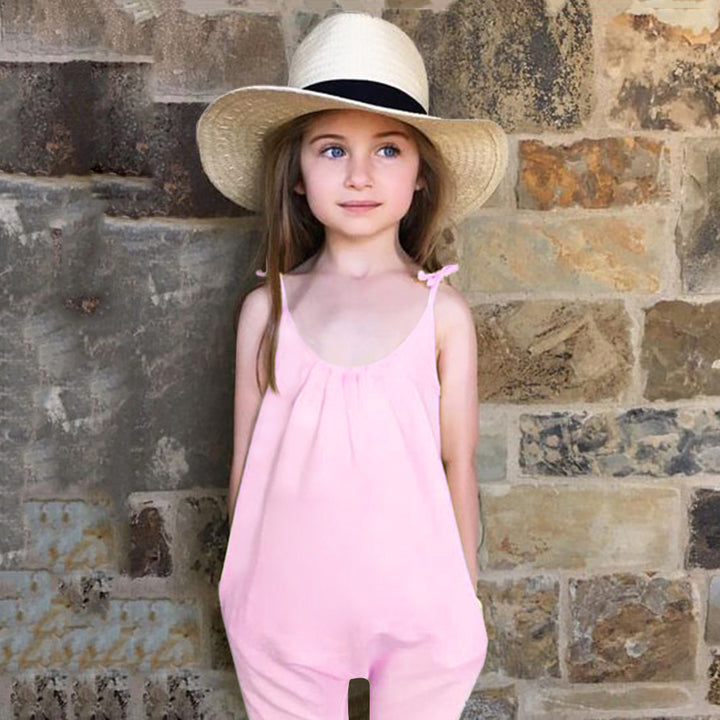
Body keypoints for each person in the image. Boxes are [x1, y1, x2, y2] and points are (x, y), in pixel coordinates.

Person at [196, 11, 507, 720]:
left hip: (419, 601)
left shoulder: (443, 313)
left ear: (420, 176)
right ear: (297, 176)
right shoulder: (268, 310)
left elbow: (457, 463)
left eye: (388, 150)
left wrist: (466, 591)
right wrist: (237, 584)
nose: (360, 175)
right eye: (333, 150)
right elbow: (246, 461)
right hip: (283, 604)